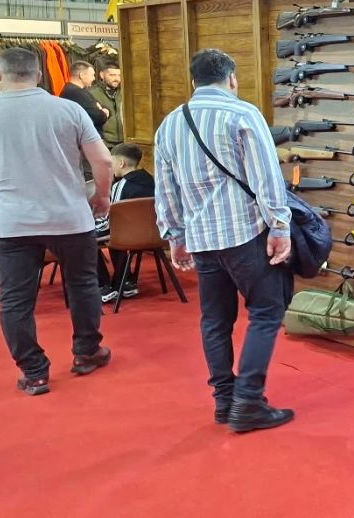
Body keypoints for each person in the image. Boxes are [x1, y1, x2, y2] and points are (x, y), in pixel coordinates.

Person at [154, 49, 294, 433]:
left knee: (215, 320)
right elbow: (266, 177)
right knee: (267, 312)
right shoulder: (242, 113)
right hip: (244, 233)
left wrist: (175, 236)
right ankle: (248, 401)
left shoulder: (170, 124)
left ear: (193, 81)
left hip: (201, 239)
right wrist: (280, 226)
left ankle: (224, 400)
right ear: (231, 78)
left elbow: (165, 190)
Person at [0, 48, 114, 396]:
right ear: (39, 76)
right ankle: (87, 352)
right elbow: (104, 161)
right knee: (83, 284)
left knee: (15, 300)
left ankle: (34, 371)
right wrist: (102, 197)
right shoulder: (68, 109)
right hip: (69, 216)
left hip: (12, 222)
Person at [97, 142, 156, 304]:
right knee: (117, 234)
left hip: (127, 238)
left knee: (88, 237)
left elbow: (111, 220)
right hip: (155, 236)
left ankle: (103, 285)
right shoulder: (151, 180)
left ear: (121, 163)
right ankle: (126, 281)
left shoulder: (120, 185)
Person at [59, 61, 109, 134]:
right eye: (92, 75)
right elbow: (98, 117)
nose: (94, 78)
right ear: (82, 75)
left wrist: (102, 110)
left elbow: (100, 108)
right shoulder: (76, 93)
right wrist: (103, 113)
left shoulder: (73, 90)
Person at [90, 63, 123, 147]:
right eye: (112, 75)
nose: (117, 79)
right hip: (103, 142)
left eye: (119, 75)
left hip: (124, 141)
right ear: (102, 75)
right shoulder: (92, 93)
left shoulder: (124, 92)